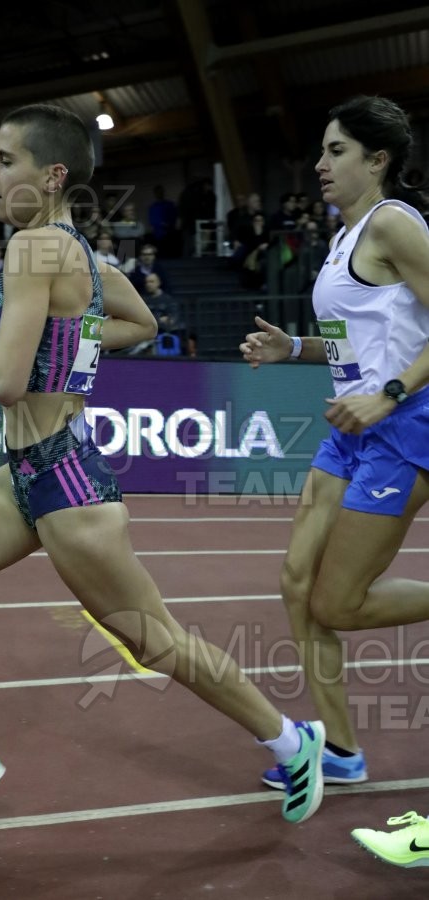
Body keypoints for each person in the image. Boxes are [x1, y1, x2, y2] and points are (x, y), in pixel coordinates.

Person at [0, 103, 324, 834]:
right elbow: (143, 324)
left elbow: (5, 384)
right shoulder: (77, 252)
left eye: (4, 160)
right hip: (27, 474)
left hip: (69, 485)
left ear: (51, 175)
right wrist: (71, 339)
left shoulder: (32, 251)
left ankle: (289, 738)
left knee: (155, 641)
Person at [239, 94, 429, 867]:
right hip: (349, 429)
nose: (320, 163)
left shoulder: (395, 223)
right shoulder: (344, 236)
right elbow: (360, 342)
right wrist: (297, 351)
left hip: (403, 425)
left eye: (336, 149)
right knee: (294, 582)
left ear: (377, 159)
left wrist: (386, 395)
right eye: (322, 150)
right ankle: (342, 751)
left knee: (337, 602)